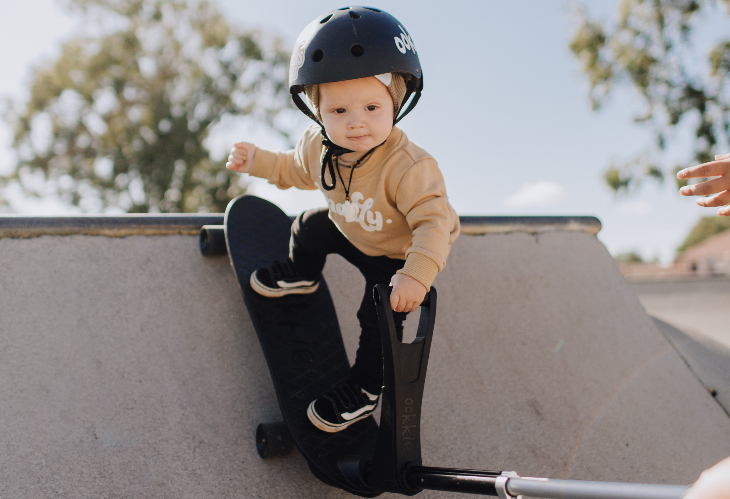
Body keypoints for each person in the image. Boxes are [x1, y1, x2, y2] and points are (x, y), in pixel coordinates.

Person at [225, 6, 459, 433]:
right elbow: (292, 169)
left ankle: (367, 388)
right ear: (317, 112)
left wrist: (416, 275)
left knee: (378, 316)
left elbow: (433, 224)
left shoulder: (410, 167)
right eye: (339, 112)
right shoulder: (318, 146)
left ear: (396, 102)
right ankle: (302, 274)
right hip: (350, 228)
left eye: (371, 106)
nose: (356, 124)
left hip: (396, 255)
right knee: (310, 226)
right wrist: (256, 161)